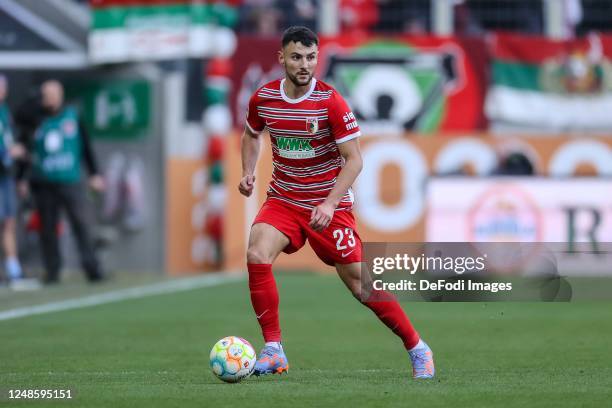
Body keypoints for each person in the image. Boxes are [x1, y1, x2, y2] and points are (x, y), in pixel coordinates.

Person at [239, 26, 435, 379]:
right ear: (281, 58)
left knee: (362, 286)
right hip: (283, 199)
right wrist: (248, 171)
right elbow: (252, 133)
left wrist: (329, 204)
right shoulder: (264, 98)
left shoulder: (330, 101)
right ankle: (273, 349)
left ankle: (417, 347)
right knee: (256, 253)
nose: (304, 64)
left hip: (330, 207)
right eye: (297, 57)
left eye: (311, 57)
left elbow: (355, 160)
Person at [15, 80, 105, 284]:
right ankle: (53, 270)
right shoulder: (35, 118)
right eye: (46, 94)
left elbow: (86, 146)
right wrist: (21, 178)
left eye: (53, 93)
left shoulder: (72, 116)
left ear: (61, 95)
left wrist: (94, 173)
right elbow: (23, 134)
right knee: (47, 228)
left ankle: (92, 268)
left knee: (81, 225)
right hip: (43, 181)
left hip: (69, 180)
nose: (50, 98)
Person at [0, 74, 38, 290]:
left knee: (9, 222)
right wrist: (8, 152)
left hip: (5, 175)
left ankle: (13, 270)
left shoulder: (4, 112)